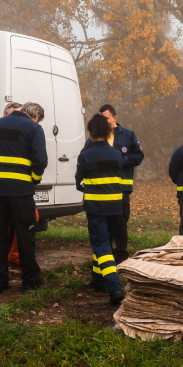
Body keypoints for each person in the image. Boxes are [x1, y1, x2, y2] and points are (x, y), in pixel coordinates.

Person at [0, 101, 50, 293]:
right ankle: (30, 282)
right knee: (25, 236)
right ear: (35, 117)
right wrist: (33, 179)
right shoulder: (34, 128)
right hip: (21, 192)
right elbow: (40, 161)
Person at [83, 104, 144, 264]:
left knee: (120, 221)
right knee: (104, 224)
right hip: (101, 189)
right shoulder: (93, 138)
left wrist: (120, 162)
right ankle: (106, 254)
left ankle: (122, 254)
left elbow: (138, 156)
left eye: (106, 118)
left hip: (122, 188)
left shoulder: (128, 135)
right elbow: (85, 157)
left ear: (115, 118)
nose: (103, 121)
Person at [75, 114, 125, 305]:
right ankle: (98, 281)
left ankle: (115, 289)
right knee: (105, 242)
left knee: (102, 247)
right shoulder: (117, 154)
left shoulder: (86, 155)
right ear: (107, 131)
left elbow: (78, 179)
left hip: (97, 208)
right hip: (115, 207)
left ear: (91, 132)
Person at [2, 102, 23, 277]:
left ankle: (13, 258)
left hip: (9, 189)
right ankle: (8, 263)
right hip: (8, 189)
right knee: (4, 229)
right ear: (5, 114)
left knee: (12, 226)